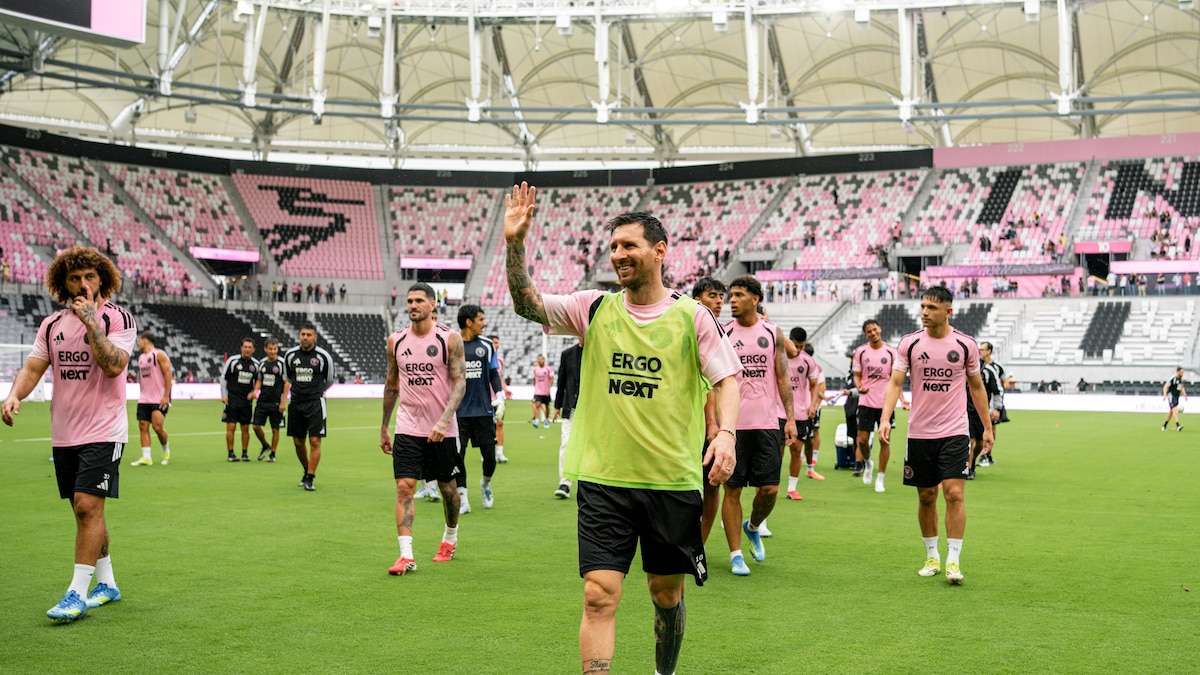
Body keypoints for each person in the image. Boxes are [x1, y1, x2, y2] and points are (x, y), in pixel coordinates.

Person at [503, 182, 740, 675]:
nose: (618, 255)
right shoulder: (595, 308)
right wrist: (515, 243)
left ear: (659, 250)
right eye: (613, 247)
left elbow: (728, 379)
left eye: (628, 245)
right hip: (603, 478)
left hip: (670, 481)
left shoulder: (691, 316)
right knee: (598, 596)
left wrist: (726, 435)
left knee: (665, 593)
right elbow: (528, 304)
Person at [2, 246, 135, 622]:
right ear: (63, 283)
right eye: (75, 278)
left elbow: (113, 367)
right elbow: (32, 370)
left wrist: (92, 321)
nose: (82, 284)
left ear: (102, 279)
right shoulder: (51, 325)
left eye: (90, 277)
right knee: (84, 514)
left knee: (86, 505)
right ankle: (106, 582)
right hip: (65, 433)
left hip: (104, 430)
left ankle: (76, 594)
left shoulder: (117, 319)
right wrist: (14, 395)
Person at [880, 285, 993, 586]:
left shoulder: (966, 345)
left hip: (955, 431)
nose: (925, 313)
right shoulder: (910, 343)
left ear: (948, 311)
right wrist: (885, 418)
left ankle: (954, 561)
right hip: (919, 433)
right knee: (927, 495)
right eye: (923, 307)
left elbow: (977, 387)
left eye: (931, 308)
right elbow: (894, 383)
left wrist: (987, 427)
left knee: (954, 493)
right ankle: (932, 556)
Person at [381, 283, 467, 574]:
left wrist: (444, 421)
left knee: (448, 489)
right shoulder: (396, 341)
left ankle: (450, 538)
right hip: (407, 427)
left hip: (442, 430)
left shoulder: (450, 339)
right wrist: (384, 426)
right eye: (409, 301)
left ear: (433, 305)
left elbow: (460, 382)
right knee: (404, 488)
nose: (413, 305)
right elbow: (392, 384)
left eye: (419, 300)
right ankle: (406, 556)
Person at [721, 275, 796, 576]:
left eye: (739, 295)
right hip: (733, 424)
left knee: (769, 489)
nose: (732, 300)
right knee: (733, 489)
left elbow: (782, 376)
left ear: (755, 299)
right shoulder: (723, 332)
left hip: (767, 422)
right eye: (731, 295)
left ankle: (752, 526)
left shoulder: (772, 332)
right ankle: (736, 555)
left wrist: (790, 418)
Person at [454, 304, 506, 513]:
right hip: (458, 413)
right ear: (469, 322)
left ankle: (485, 484)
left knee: (490, 457)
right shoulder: (452, 344)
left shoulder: (486, 345)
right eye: (481, 319)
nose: (484, 324)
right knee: (458, 456)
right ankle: (463, 497)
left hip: (484, 410)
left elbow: (493, 373)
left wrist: (500, 395)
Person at [691, 276, 727, 543]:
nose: (719, 301)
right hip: (683, 423)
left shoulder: (722, 333)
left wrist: (715, 424)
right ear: (697, 300)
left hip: (710, 427)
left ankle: (699, 544)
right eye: (712, 295)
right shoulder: (686, 329)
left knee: (711, 485)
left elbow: (716, 385)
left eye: (721, 297)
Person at [283, 323, 335, 490]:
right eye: (303, 334)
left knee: (314, 440)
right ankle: (306, 470)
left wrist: (315, 391)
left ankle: (310, 478)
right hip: (296, 402)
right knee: (298, 442)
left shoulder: (323, 356)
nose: (305, 337)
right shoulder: (290, 355)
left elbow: (329, 379)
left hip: (315, 403)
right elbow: (289, 377)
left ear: (315, 337)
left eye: (309, 335)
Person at [853, 319, 900, 492]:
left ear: (879, 329)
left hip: (885, 403)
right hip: (866, 401)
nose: (873, 333)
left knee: (884, 440)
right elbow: (857, 375)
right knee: (862, 440)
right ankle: (867, 462)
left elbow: (896, 379)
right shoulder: (861, 352)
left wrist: (900, 398)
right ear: (866, 334)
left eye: (874, 329)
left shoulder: (891, 352)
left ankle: (880, 478)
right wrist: (859, 386)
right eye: (869, 331)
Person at [784, 327, 821, 501]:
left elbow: (814, 385)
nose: (798, 350)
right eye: (796, 346)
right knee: (776, 453)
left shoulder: (807, 361)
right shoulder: (778, 356)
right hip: (778, 413)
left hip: (800, 414)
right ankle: (771, 484)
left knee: (796, 449)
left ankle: (792, 488)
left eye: (801, 346)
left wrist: (813, 404)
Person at [130, 331, 172, 467]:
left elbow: (168, 375)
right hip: (144, 398)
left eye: (139, 341)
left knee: (157, 427)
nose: (138, 343)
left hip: (158, 398)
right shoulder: (141, 358)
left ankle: (166, 451)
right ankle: (146, 457)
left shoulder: (159, 354)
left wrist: (166, 396)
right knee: (143, 426)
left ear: (145, 341)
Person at [551, 339, 582, 499]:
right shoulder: (567, 354)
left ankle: (588, 481)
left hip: (591, 409)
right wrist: (557, 407)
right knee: (566, 444)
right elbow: (561, 382)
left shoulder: (599, 351)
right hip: (570, 407)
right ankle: (565, 482)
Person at [220, 338, 259, 462]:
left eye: (250, 347)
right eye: (245, 347)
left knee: (245, 428)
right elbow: (223, 378)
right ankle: (231, 453)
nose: (247, 349)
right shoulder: (233, 361)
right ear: (241, 348)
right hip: (232, 399)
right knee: (230, 427)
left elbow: (259, 381)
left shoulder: (256, 365)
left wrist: (254, 392)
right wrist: (224, 394)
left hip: (246, 401)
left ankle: (244, 453)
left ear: (253, 349)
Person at [251, 337, 287, 462]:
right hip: (263, 400)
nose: (273, 351)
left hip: (276, 401)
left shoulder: (282, 363)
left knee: (275, 428)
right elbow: (259, 379)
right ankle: (265, 445)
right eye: (270, 349)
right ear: (265, 349)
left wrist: (283, 401)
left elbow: (286, 383)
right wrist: (256, 390)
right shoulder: (262, 363)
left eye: (275, 349)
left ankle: (273, 454)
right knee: (255, 426)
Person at [976, 342, 1005, 466]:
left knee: (991, 428)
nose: (980, 352)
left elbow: (1002, 382)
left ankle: (987, 455)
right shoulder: (977, 366)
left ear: (989, 351)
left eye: (982, 349)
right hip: (980, 403)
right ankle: (985, 455)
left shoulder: (996, 367)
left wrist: (998, 407)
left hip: (992, 402)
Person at [489, 334, 512, 463]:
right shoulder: (482, 358)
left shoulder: (500, 360)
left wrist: (505, 389)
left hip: (498, 397)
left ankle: (500, 453)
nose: (496, 345)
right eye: (493, 342)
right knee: (488, 427)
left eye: (497, 342)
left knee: (500, 424)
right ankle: (487, 452)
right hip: (486, 397)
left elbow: (499, 377)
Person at [530, 354, 554, 428]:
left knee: (546, 406)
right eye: (539, 359)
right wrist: (535, 385)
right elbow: (534, 378)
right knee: (537, 404)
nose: (540, 361)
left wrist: (548, 389)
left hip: (545, 391)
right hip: (538, 391)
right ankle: (536, 420)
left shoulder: (548, 369)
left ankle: (546, 420)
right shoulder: (535, 369)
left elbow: (551, 379)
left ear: (544, 360)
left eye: (542, 359)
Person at [1162, 367, 1187, 432]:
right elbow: (1166, 386)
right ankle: (1178, 425)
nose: (1182, 373)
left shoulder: (1180, 379)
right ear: (1178, 372)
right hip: (1171, 395)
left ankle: (1164, 426)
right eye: (1181, 372)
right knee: (1174, 410)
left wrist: (1185, 395)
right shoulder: (1173, 378)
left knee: (1171, 412)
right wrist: (1164, 395)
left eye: (1183, 372)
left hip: (1176, 396)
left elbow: (1182, 387)